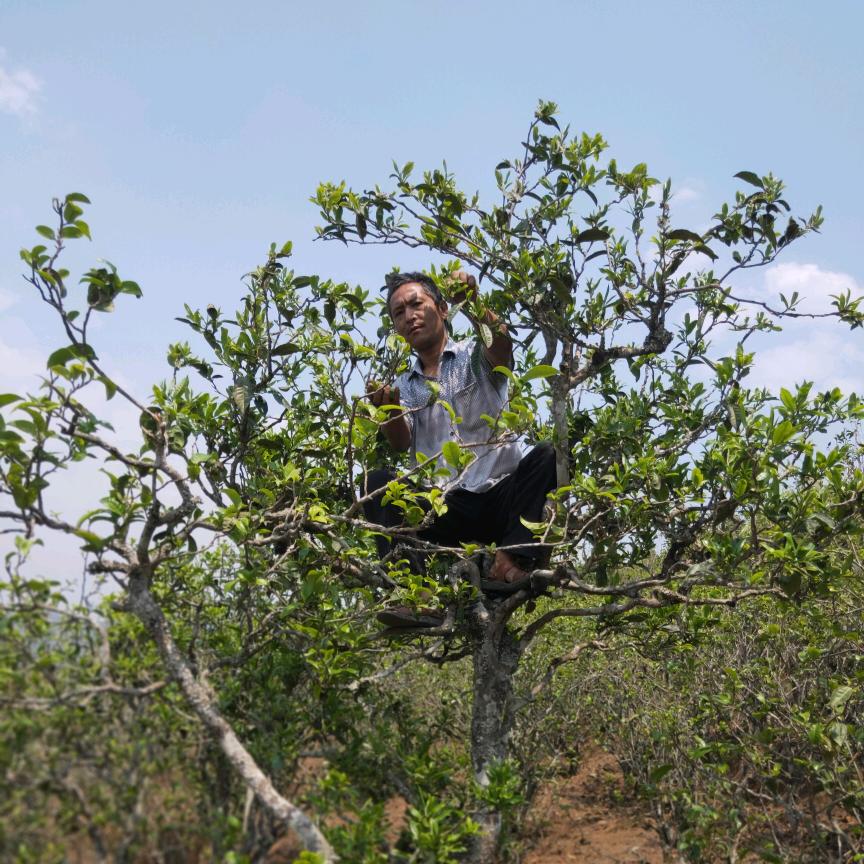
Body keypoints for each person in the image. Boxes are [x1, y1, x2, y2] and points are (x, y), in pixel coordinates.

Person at [362, 270, 557, 627]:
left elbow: (501, 349)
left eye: (416, 304)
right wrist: (386, 411)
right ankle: (413, 594)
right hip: (445, 506)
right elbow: (401, 441)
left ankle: (509, 560)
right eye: (398, 313)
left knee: (550, 453)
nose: (409, 316)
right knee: (376, 482)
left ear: (443, 308)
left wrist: (477, 305)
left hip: (500, 496)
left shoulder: (473, 355)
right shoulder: (404, 384)